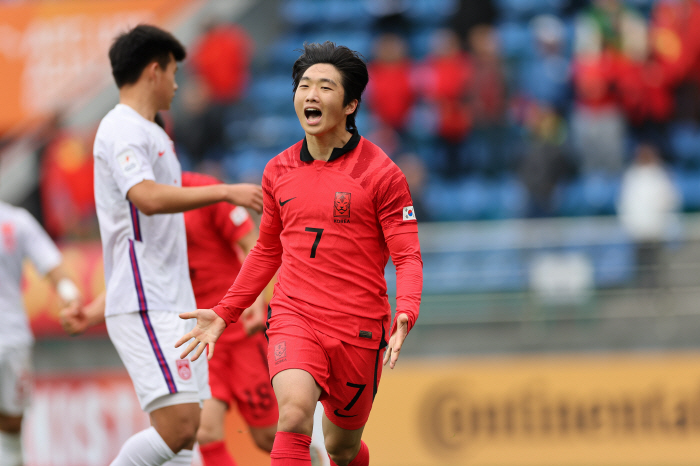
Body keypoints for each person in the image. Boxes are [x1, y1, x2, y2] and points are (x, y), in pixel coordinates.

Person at [176, 42, 424, 466]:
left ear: (349, 105)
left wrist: (407, 310)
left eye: (324, 87)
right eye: (304, 86)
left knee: (342, 449)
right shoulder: (278, 170)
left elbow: (407, 256)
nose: (311, 95)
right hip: (295, 314)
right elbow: (266, 251)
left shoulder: (382, 175)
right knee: (291, 415)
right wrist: (225, 312)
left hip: (359, 326)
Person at [88, 24, 262, 466]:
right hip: (147, 301)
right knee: (180, 426)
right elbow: (144, 197)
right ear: (153, 71)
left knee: (189, 436)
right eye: (173, 71)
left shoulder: (155, 135)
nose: (177, 83)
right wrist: (225, 191)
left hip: (172, 301)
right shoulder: (121, 128)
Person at [0, 201, 82, 466]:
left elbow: (52, 265)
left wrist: (69, 295)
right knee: (10, 425)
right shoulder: (15, 220)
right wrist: (69, 295)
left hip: (11, 337)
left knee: (11, 425)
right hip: (13, 339)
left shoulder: (15, 221)